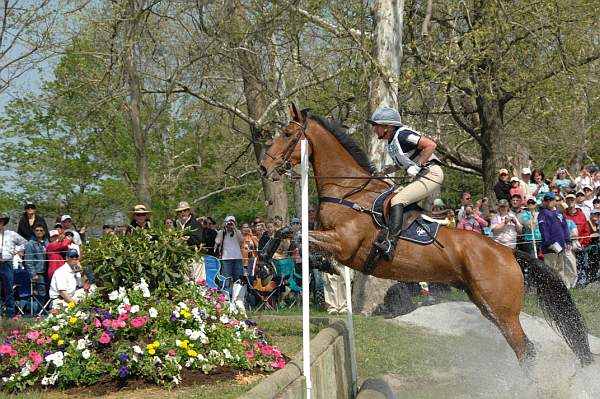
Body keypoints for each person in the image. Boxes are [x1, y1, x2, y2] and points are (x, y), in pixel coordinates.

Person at [367, 107, 443, 260]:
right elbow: (405, 161)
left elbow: (430, 145)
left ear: (387, 127)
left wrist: (418, 165)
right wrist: (387, 170)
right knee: (391, 197)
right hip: (422, 176)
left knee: (398, 200)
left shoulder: (404, 135)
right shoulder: (392, 143)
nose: (374, 129)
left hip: (431, 174)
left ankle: (391, 244)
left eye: (377, 126)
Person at [538, 192, 575, 287]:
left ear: (555, 201)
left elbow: (565, 228)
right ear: (544, 202)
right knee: (550, 269)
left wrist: (568, 241)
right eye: (546, 200)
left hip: (561, 245)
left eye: (551, 199)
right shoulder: (542, 214)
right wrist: (549, 243)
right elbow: (543, 229)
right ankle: (550, 288)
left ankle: (561, 288)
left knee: (560, 268)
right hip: (550, 246)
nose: (549, 201)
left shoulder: (559, 212)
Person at [0, 213, 28, 317]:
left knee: (9, 289)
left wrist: (17, 250)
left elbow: (24, 242)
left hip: (7, 263)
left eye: (1, 221)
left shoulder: (10, 234)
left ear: (4, 222)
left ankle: (10, 314)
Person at [23, 223, 49, 306]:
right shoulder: (30, 244)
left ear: (44, 232)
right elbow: (28, 261)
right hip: (38, 272)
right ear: (34, 231)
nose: (39, 232)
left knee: (47, 291)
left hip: (47, 271)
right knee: (41, 292)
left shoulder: (47, 242)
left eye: (41, 230)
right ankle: (40, 312)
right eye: (37, 230)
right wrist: (33, 274)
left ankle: (47, 310)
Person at [215, 216, 244, 287]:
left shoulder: (238, 232)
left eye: (232, 222)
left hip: (237, 258)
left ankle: (238, 295)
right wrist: (222, 229)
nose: (230, 224)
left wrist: (235, 228)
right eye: (228, 222)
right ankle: (225, 295)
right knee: (225, 280)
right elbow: (217, 241)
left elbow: (242, 240)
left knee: (239, 279)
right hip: (226, 259)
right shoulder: (221, 232)